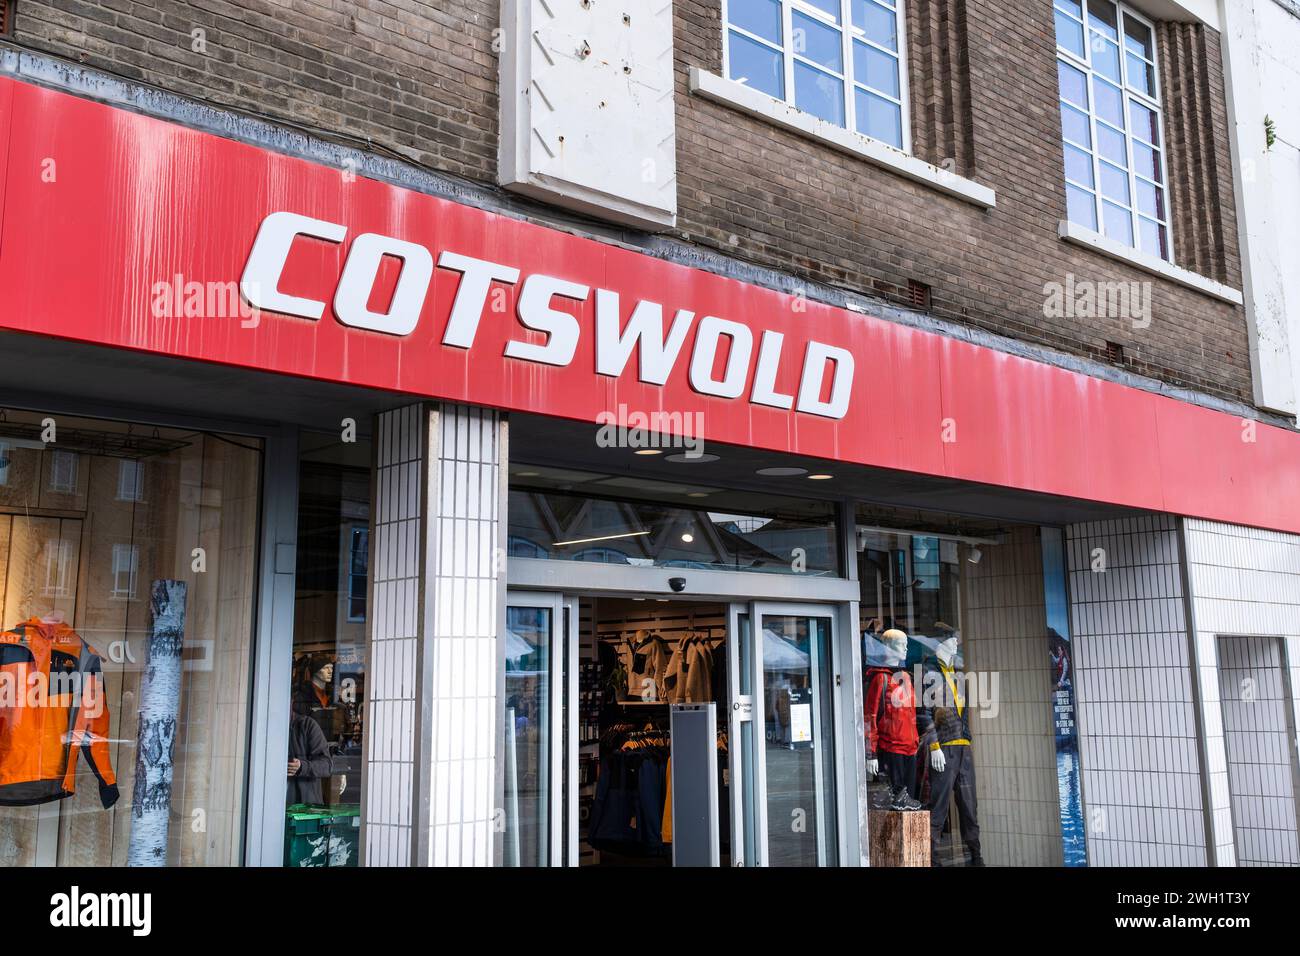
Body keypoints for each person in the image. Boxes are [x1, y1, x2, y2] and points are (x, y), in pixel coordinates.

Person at [287, 711, 334, 806]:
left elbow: (327, 766)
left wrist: (302, 767)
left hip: (306, 808)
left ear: (292, 701)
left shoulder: (307, 725)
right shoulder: (266, 726)